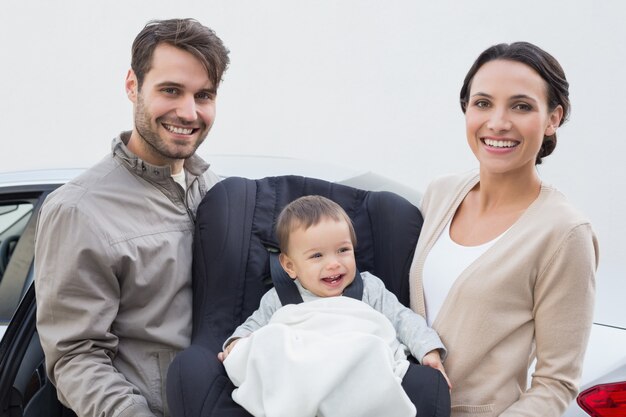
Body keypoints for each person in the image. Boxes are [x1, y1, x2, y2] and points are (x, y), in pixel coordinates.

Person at [34, 18, 229, 417]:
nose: (189, 112)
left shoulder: (221, 191)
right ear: (132, 86)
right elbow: (76, 356)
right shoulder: (78, 210)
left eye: (204, 95)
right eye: (171, 90)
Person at [409, 42, 599, 416]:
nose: (497, 122)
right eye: (482, 103)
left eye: (521, 106)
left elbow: (556, 383)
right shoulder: (440, 193)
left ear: (552, 119)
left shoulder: (564, 233)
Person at [219, 195, 450, 417]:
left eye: (343, 250)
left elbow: (402, 318)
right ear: (290, 266)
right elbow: (255, 329)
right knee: (274, 337)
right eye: (317, 256)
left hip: (360, 370)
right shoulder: (279, 297)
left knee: (373, 349)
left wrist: (428, 350)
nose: (333, 263)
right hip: (306, 373)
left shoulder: (368, 287)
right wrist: (237, 345)